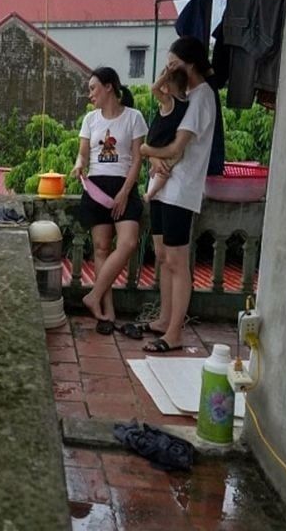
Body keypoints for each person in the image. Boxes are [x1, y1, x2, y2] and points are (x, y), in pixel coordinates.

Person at [137, 36, 217, 353]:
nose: (170, 68)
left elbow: (176, 147)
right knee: (162, 257)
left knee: (176, 261)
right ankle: (163, 319)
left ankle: (174, 333)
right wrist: (153, 157)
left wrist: (144, 149)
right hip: (163, 186)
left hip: (181, 189)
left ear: (190, 64)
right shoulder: (183, 95)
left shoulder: (202, 98)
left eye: (174, 62)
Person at [70, 67, 149, 336]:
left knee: (127, 242)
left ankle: (93, 295)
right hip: (96, 186)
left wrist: (126, 192)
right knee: (101, 248)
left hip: (123, 185)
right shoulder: (90, 120)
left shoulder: (134, 117)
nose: (90, 94)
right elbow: (83, 154)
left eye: (93, 88)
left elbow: (138, 158)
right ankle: (107, 313)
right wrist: (79, 166)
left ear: (109, 87)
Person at [143, 66, 191, 203]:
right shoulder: (186, 102)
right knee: (161, 168)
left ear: (167, 85)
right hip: (164, 142)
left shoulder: (169, 101)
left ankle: (151, 194)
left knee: (163, 172)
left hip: (161, 143)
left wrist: (165, 75)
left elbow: (153, 89)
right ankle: (153, 169)